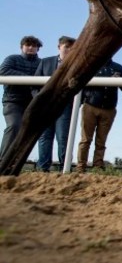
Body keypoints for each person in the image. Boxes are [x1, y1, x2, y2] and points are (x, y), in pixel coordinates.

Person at [33, 36, 76, 172]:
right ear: (59, 47)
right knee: (44, 136)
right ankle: (43, 168)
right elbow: (34, 83)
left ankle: (65, 168)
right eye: (66, 47)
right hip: (45, 105)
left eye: (72, 47)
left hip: (64, 106)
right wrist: (38, 100)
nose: (69, 50)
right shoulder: (45, 62)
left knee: (63, 136)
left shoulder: (77, 65)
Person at [77, 57, 122, 172]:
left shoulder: (118, 67)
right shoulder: (91, 65)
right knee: (85, 139)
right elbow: (83, 83)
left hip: (109, 108)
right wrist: (109, 79)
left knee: (101, 141)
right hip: (91, 105)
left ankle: (98, 167)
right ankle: (80, 167)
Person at [0, 35, 42, 160]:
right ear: (22, 47)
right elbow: (3, 71)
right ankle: (3, 160)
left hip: (33, 102)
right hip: (13, 101)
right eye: (28, 45)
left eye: (34, 46)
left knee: (28, 133)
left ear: (37, 49)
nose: (30, 48)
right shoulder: (12, 59)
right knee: (13, 126)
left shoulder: (41, 63)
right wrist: (29, 78)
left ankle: (16, 161)